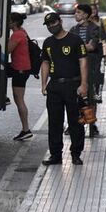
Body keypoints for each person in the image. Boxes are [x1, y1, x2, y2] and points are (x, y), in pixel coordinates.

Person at [40, 12, 88, 166]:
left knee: (76, 121)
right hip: (54, 86)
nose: (51, 26)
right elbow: (45, 63)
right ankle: (55, 155)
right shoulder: (48, 42)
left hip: (73, 85)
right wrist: (43, 84)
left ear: (60, 22)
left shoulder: (75, 40)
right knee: (54, 122)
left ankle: (76, 154)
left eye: (53, 23)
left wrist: (84, 84)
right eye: (48, 25)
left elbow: (83, 62)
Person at [70, 4, 104, 137]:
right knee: (78, 96)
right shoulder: (73, 29)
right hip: (76, 68)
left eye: (78, 12)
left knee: (92, 97)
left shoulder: (95, 28)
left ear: (85, 15)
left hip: (92, 67)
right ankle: (80, 121)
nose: (76, 15)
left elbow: (91, 46)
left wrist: (78, 46)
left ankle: (91, 123)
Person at [7, 12, 33, 141]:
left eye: (9, 21)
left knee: (19, 99)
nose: (7, 23)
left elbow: (7, 50)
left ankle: (26, 129)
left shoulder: (17, 35)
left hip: (20, 69)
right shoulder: (22, 31)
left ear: (14, 23)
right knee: (3, 70)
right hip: (21, 67)